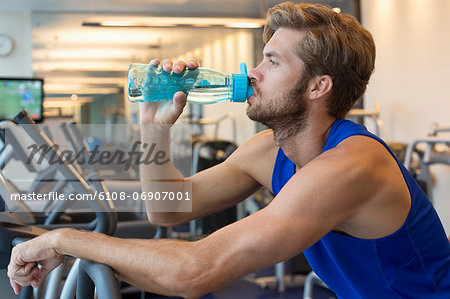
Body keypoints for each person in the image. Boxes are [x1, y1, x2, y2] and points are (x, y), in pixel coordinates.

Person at [8, 2, 450, 298]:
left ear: (318, 86)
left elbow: (194, 272)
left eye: (272, 62)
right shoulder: (268, 151)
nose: (253, 73)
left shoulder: (352, 165)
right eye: (261, 58)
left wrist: (68, 239)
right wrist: (153, 128)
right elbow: (168, 211)